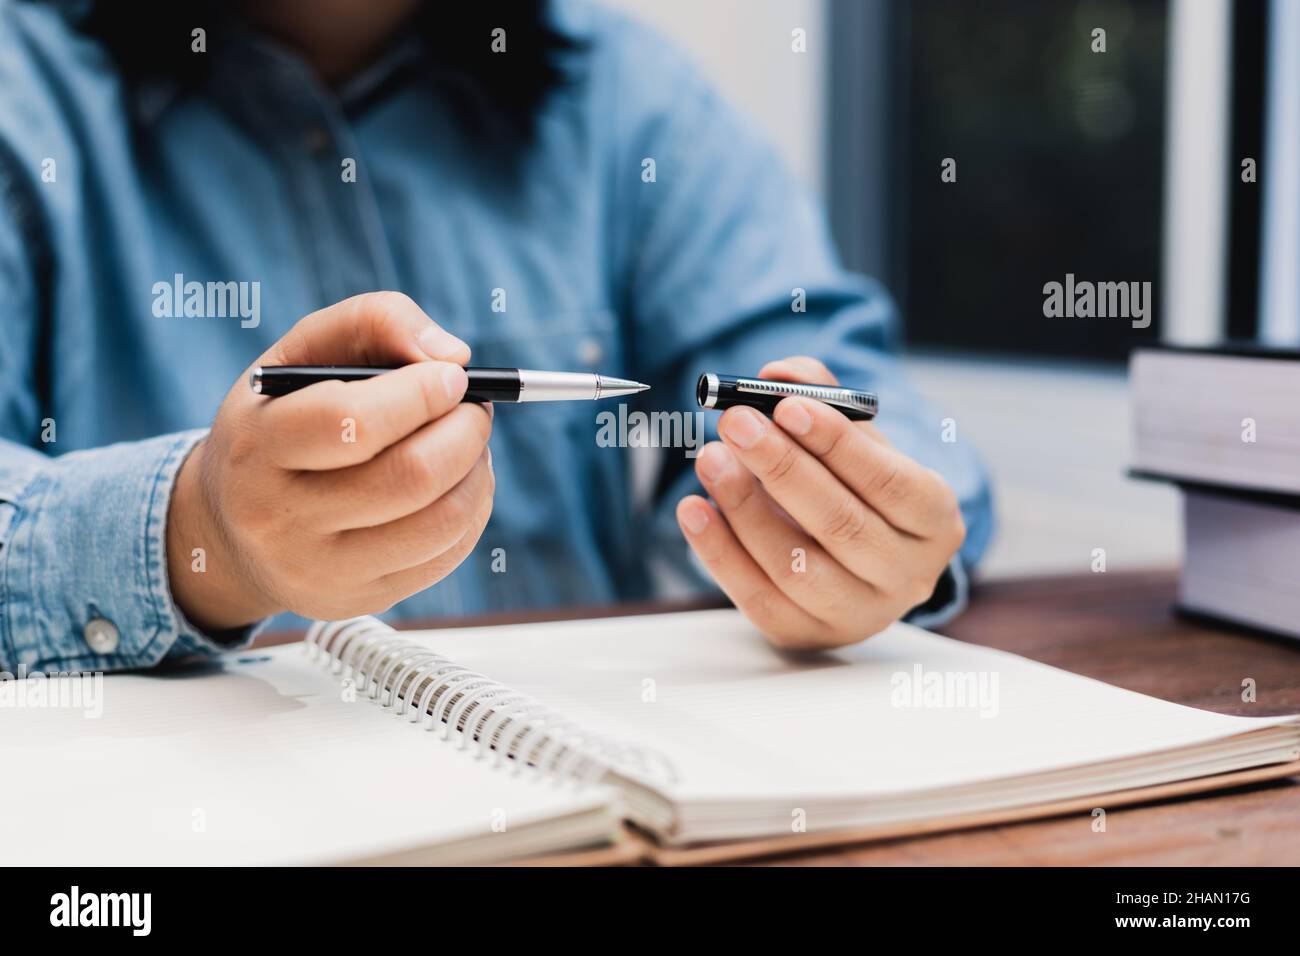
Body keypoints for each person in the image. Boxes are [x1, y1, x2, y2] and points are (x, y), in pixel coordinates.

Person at [0, 0, 992, 673]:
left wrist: (860, 522)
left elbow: (854, 383)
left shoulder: (623, 94)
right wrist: (193, 536)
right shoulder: (25, 92)